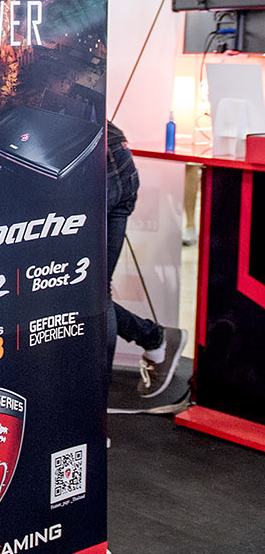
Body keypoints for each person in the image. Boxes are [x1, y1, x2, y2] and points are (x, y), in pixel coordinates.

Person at [107, 120, 186, 407]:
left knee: (81, 290)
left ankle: (93, 407)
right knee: (89, 290)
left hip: (96, 163)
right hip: (114, 154)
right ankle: (155, 339)